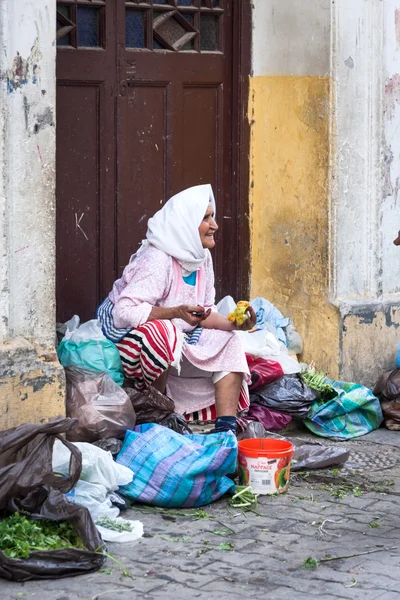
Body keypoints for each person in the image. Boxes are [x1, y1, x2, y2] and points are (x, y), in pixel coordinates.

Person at [96, 184, 256, 434]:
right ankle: (156, 415)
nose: (214, 225)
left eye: (212, 216)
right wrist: (174, 313)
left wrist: (236, 325)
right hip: (130, 340)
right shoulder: (158, 259)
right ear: (185, 223)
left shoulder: (201, 257)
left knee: (230, 340)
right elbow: (123, 312)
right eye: (205, 218)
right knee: (164, 332)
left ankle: (226, 429)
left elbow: (204, 313)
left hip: (178, 339)